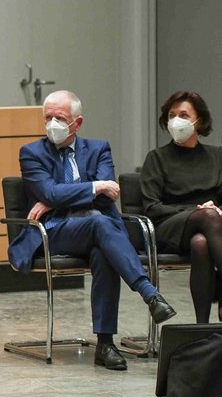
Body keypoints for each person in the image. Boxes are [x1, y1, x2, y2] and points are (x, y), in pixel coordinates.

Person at [9, 90, 177, 371]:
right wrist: (93, 186)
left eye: (59, 118)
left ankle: (105, 343)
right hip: (55, 232)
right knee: (102, 223)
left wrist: (57, 198)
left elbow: (104, 196)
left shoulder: (99, 149)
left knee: (103, 249)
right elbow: (53, 190)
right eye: (47, 117)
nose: (52, 123)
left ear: (77, 122)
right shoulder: (32, 152)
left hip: (95, 230)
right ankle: (149, 292)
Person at [141, 91, 222, 323]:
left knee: (201, 243)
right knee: (206, 217)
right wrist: (196, 213)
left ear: (199, 121)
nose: (176, 120)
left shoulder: (217, 155)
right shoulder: (156, 158)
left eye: (183, 114)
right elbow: (151, 207)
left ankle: (202, 326)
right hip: (169, 228)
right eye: (171, 115)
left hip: (212, 227)